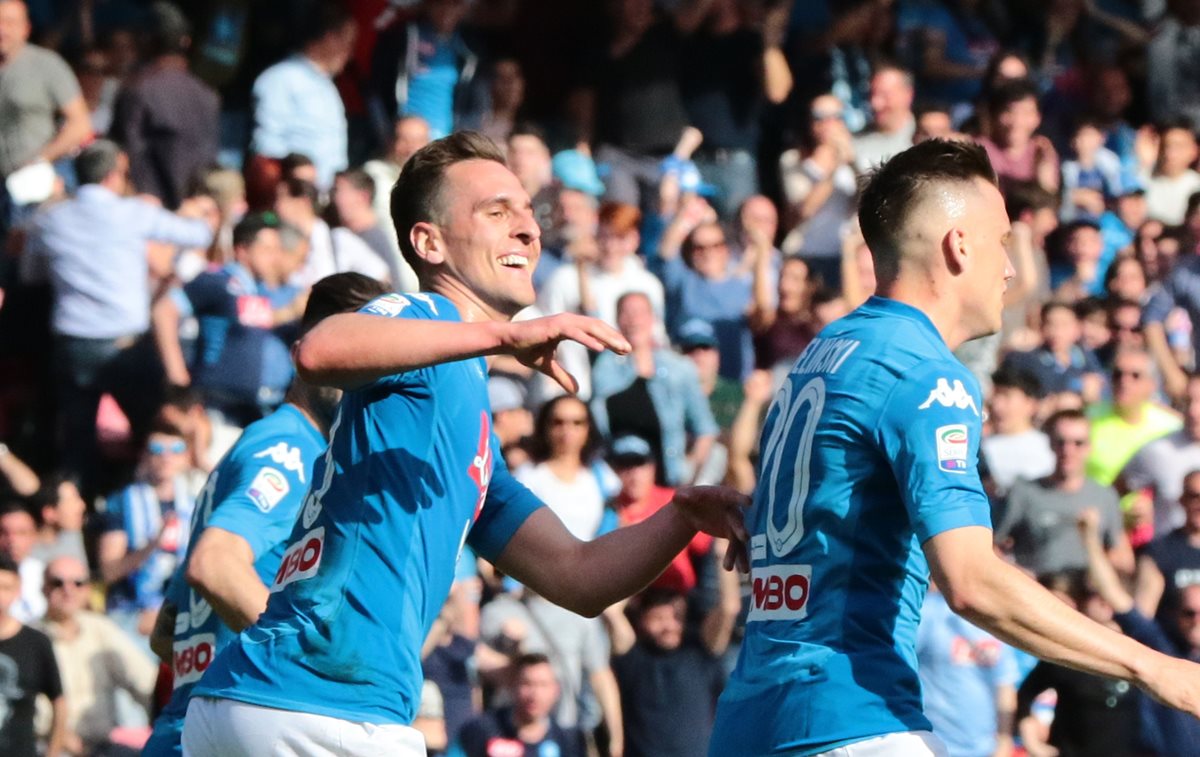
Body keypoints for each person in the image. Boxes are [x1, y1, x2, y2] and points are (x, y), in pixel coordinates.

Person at [182, 131, 749, 756]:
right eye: (497, 212)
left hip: (281, 704)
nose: (528, 231)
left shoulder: (472, 432)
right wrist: (499, 337)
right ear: (430, 242)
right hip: (321, 709)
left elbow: (579, 575)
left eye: (529, 213)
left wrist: (680, 518)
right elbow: (319, 350)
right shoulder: (424, 315)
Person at [708, 139, 1200, 757]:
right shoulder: (926, 375)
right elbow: (970, 582)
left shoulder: (823, 355)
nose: (1012, 268)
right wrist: (1154, 666)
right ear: (959, 245)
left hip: (751, 722)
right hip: (850, 719)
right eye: (1001, 241)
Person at [142, 273, 389, 757]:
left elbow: (167, 630)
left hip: (194, 727)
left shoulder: (279, 443)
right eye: (348, 351)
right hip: (223, 732)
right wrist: (303, 673)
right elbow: (213, 566)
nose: (359, 374)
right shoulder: (289, 451)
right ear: (304, 352)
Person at [23, 139, 214, 489]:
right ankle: (148, 504)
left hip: (74, 345)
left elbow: (30, 274)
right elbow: (199, 234)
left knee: (77, 441)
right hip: (128, 346)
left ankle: (81, 508)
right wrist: (193, 213)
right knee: (155, 430)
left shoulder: (50, 219)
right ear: (114, 176)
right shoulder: (133, 212)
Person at [1079, 509, 1200, 754]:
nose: (1196, 620)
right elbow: (1114, 594)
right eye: (1189, 613)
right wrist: (1090, 539)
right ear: (1176, 615)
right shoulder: (1160, 646)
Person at [591, 291, 719, 487]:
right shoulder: (605, 368)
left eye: (640, 312)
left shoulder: (680, 368)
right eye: (626, 312)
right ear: (617, 320)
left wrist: (688, 472)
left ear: (653, 318)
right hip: (620, 484)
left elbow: (705, 429)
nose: (633, 319)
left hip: (669, 481)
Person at [36, 555, 157, 757]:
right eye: (58, 583)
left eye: (78, 583)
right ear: (43, 588)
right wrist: (61, 737)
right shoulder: (31, 637)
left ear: (88, 589)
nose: (68, 590)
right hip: (49, 746)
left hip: (101, 746)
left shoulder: (101, 629)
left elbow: (145, 682)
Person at [108, 1, 219, 209]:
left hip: (148, 210)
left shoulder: (137, 90)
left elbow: (125, 151)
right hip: (195, 209)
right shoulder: (207, 94)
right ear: (186, 42)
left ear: (145, 41)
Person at [997, 409, 1134, 576]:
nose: (1068, 451)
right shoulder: (1025, 492)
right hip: (1038, 590)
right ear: (1050, 444)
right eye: (1061, 442)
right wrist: (1021, 576)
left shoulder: (1104, 496)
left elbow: (1124, 560)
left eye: (1078, 443)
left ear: (1089, 447)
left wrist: (1092, 542)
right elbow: (991, 547)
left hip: (1086, 591)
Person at [0, 0, 90, 230]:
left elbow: (80, 123)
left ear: (26, 28)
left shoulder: (46, 65)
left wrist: (41, 159)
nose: (2, 29)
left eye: (10, 22)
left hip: (37, 184)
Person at [247, 1, 354, 193]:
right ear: (330, 39)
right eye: (348, 43)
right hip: (291, 196)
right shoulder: (280, 78)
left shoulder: (328, 87)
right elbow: (267, 147)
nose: (350, 53)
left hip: (322, 200)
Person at [915, 584, 1018, 757]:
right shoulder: (929, 612)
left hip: (985, 749)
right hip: (933, 745)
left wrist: (1004, 739)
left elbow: (1005, 685)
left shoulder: (996, 619)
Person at [457, 653, 587, 757]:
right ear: (513, 685)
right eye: (527, 684)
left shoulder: (568, 741)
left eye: (543, 685)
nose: (534, 694)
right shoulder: (481, 730)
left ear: (556, 690)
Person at [1120, 373, 1200, 538]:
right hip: (1170, 557)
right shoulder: (1157, 450)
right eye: (1188, 401)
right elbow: (1113, 493)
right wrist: (1126, 517)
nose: (1193, 411)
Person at [0, 551, 64, 757]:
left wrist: (52, 752)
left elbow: (60, 702)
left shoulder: (36, 643)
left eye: (5, 588)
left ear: (18, 590)